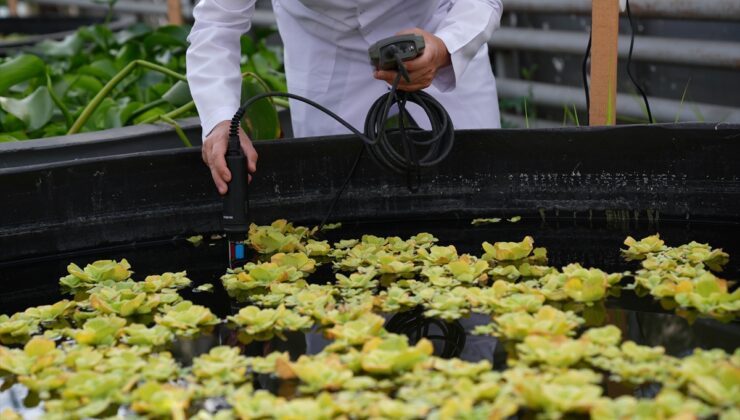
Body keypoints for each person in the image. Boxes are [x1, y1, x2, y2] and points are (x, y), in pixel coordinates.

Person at [187, 0, 503, 194]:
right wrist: (220, 119)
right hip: (326, 42)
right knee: (332, 195)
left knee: (482, 181)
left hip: (432, 26)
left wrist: (446, 47)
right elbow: (217, 22)